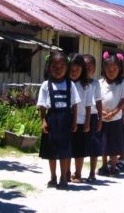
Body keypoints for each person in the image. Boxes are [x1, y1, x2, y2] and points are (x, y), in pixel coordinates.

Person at [37, 52, 81, 190]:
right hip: (51, 119)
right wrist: (43, 121)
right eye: (55, 66)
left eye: (62, 66)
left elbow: (75, 105)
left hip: (66, 119)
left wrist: (74, 122)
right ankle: (53, 177)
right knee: (52, 151)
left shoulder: (70, 85)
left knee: (64, 151)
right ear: (49, 68)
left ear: (67, 68)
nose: (58, 69)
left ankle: (63, 177)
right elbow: (42, 105)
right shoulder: (45, 85)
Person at [98, 51, 124, 176]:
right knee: (104, 143)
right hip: (102, 119)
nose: (111, 71)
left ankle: (113, 166)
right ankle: (104, 164)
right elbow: (97, 100)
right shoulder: (100, 83)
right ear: (104, 69)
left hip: (115, 119)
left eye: (114, 69)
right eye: (108, 69)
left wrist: (116, 111)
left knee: (115, 145)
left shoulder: (121, 84)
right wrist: (102, 112)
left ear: (119, 69)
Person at [68, 54, 92, 183]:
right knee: (67, 149)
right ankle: (66, 173)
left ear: (82, 70)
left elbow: (89, 106)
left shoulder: (86, 86)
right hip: (67, 121)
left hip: (81, 121)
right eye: (72, 70)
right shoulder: (65, 84)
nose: (74, 72)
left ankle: (77, 173)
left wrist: (88, 122)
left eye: (77, 70)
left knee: (79, 150)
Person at [83, 54, 103, 182]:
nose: (88, 69)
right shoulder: (76, 83)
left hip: (94, 116)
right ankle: (76, 171)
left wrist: (101, 118)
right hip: (80, 117)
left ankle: (92, 173)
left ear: (94, 69)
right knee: (78, 144)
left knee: (94, 145)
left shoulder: (95, 84)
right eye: (85, 66)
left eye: (90, 66)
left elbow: (99, 102)